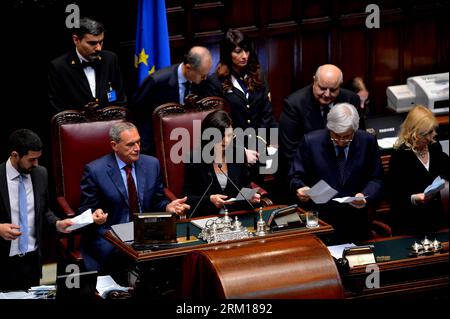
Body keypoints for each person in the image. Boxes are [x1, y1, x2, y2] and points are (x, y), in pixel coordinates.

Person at [78, 122, 190, 278]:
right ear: (114, 145)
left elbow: (158, 202)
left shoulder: (152, 164)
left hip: (147, 232)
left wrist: (168, 207)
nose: (137, 148)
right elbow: (86, 211)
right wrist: (95, 215)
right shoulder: (95, 171)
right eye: (130, 144)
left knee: (180, 256)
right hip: (113, 233)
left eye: (138, 142)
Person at [289, 103, 383, 243]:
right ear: (329, 128)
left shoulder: (367, 141)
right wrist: (300, 188)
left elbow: (376, 178)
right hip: (321, 221)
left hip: (356, 220)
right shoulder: (311, 142)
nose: (341, 142)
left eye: (347, 137)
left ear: (355, 130)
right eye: (336, 136)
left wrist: (364, 196)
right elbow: (295, 176)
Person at [0, 129, 73, 291]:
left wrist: (57, 224)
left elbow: (44, 211)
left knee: (42, 296)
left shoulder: (41, 174)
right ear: (15, 155)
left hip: (37, 260)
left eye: (38, 159)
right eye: (31, 160)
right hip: (5, 264)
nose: (36, 164)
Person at [279, 64, 363, 193]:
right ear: (314, 81)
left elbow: (358, 140)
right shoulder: (294, 104)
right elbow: (290, 151)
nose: (327, 94)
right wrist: (299, 184)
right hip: (310, 177)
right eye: (322, 88)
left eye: (333, 89)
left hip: (344, 175)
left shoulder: (351, 100)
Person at [205, 29, 278, 166]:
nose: (244, 56)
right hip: (231, 150)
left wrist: (261, 144)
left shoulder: (258, 76)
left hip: (260, 144)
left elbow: (266, 113)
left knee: (268, 179)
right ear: (228, 54)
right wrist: (242, 151)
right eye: (238, 52)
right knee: (242, 185)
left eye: (247, 51)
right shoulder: (215, 82)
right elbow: (218, 123)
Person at [132, 46, 213, 155]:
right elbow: (138, 112)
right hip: (157, 143)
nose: (205, 78)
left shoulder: (201, 81)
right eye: (203, 75)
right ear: (188, 68)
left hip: (187, 140)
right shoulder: (157, 81)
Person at [183, 110, 261, 216]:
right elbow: (188, 199)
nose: (225, 141)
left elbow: (245, 187)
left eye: (229, 135)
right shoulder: (194, 158)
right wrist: (210, 200)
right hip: (207, 218)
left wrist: (249, 197)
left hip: (236, 217)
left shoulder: (238, 154)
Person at [388, 105, 449, 235]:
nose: (431, 137)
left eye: (432, 131)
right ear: (413, 133)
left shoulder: (434, 147)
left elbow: (446, 168)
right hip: (410, 224)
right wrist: (415, 198)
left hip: (436, 221)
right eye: (426, 133)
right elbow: (395, 197)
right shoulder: (399, 156)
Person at [48, 17, 126, 114]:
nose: (98, 48)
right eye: (92, 43)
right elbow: (57, 108)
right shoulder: (59, 67)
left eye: (101, 42)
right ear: (76, 40)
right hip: (76, 127)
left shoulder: (110, 59)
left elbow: (119, 98)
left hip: (110, 125)